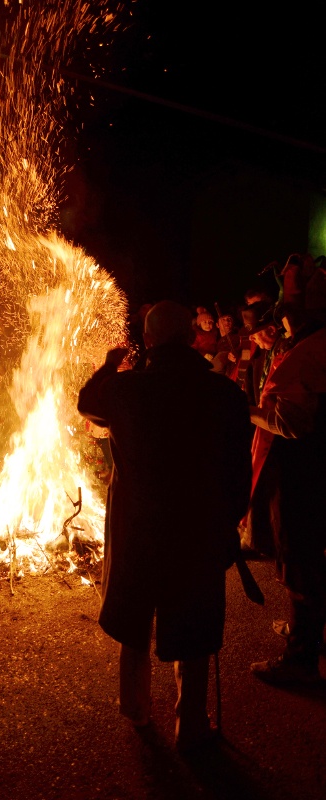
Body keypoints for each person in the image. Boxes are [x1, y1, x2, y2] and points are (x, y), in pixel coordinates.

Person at [78, 301, 252, 752]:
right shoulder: (223, 394)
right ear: (194, 338)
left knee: (135, 615)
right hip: (197, 524)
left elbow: (87, 405)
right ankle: (189, 723)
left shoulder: (124, 389)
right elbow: (239, 467)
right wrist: (229, 518)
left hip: (139, 522)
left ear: (149, 341)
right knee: (193, 618)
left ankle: (135, 707)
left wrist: (110, 365)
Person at [247, 299, 326, 683]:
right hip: (308, 470)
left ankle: (301, 659)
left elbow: (292, 424)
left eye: (290, 310)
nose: (283, 320)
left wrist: (246, 411)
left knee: (301, 559)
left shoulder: (312, 351)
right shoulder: (309, 345)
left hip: (304, 473)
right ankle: (308, 634)